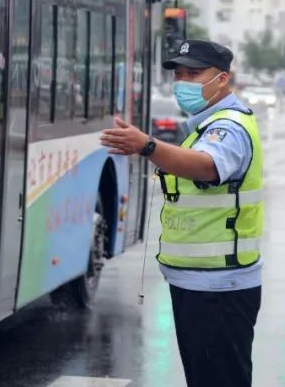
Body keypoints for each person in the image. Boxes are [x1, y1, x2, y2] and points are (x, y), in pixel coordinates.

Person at [101, 39, 263, 387]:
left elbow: (207, 166)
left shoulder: (228, 127)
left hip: (219, 288)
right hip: (200, 283)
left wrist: (147, 146)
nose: (183, 82)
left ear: (221, 79)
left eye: (194, 74)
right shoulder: (205, 126)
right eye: (179, 74)